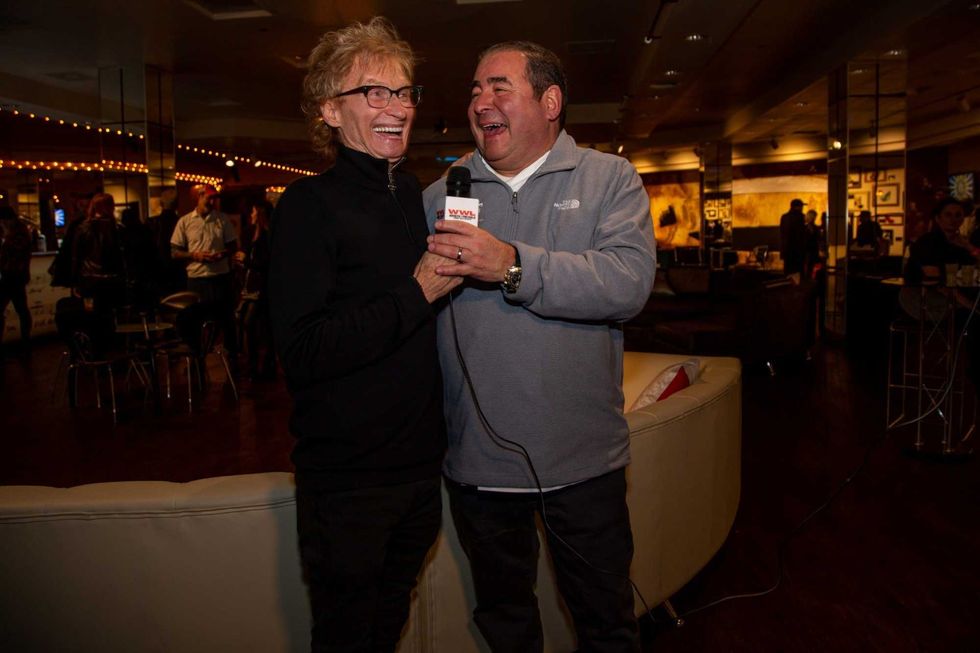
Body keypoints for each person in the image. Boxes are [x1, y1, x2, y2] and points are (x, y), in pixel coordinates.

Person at [423, 41, 656, 652]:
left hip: (583, 465)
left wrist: (512, 265)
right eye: (475, 90)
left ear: (550, 102)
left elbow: (628, 283)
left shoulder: (609, 179)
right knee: (505, 626)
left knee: (606, 626)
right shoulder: (439, 196)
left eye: (499, 87)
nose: (481, 102)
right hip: (478, 468)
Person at [267, 17, 460, 652]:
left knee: (387, 629)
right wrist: (417, 291)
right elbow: (303, 350)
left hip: (419, 471)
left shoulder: (409, 195)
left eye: (404, 92)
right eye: (374, 92)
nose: (396, 107)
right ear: (329, 110)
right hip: (350, 484)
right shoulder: (307, 207)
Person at [170, 184, 239, 366]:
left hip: (219, 277)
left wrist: (221, 254)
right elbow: (174, 252)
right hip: (197, 279)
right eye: (209, 198)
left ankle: (232, 359)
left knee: (226, 320)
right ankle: (196, 358)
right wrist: (195, 255)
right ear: (199, 197)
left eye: (214, 199)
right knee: (194, 320)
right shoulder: (185, 221)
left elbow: (233, 246)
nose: (212, 202)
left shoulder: (222, 219)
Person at [234, 199, 276, 380]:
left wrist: (247, 260)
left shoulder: (268, 235)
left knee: (252, 324)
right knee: (251, 325)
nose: (250, 215)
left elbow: (266, 263)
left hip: (262, 288)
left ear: (259, 213)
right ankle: (257, 365)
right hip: (251, 286)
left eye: (253, 212)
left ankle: (259, 365)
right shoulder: (251, 233)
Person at [0, 206, 33, 357]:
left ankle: (24, 342)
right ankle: (25, 342)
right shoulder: (19, 230)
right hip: (16, 276)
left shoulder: (17, 233)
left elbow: (15, 253)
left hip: (12, 276)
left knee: (20, 309)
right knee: (22, 309)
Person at [779, 198, 807, 278]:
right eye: (801, 206)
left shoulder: (784, 217)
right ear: (797, 207)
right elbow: (802, 235)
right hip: (798, 252)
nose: (802, 208)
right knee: (798, 274)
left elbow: (782, 234)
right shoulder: (801, 217)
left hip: (787, 251)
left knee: (788, 274)